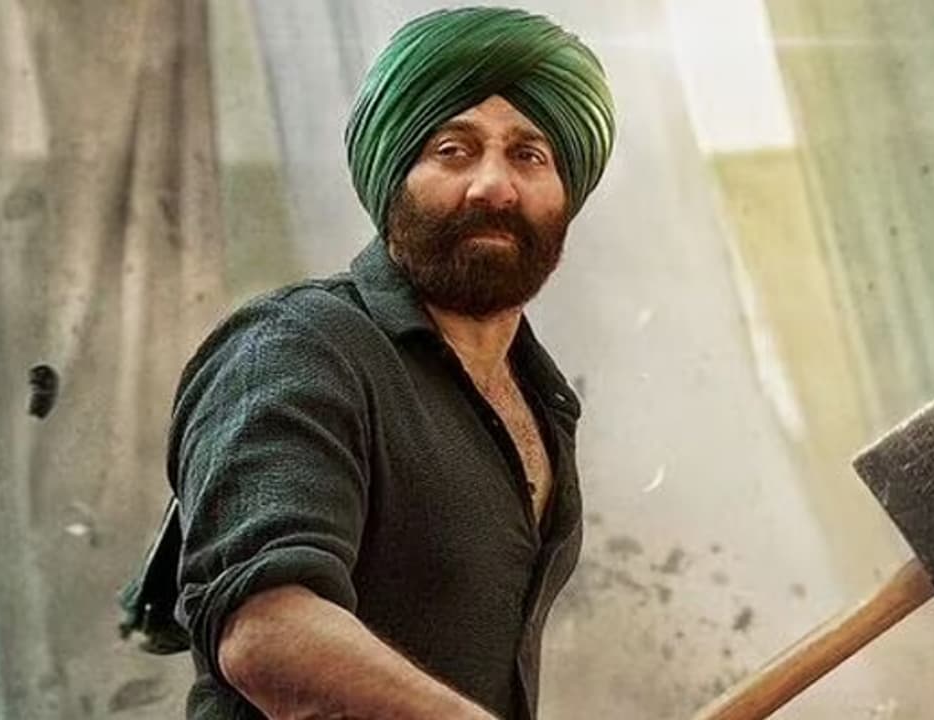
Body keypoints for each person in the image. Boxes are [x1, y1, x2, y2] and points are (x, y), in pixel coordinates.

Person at [122, 7, 616, 719]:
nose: (493, 186)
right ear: (393, 178)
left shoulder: (542, 396)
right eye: (453, 150)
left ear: (567, 195)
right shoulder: (298, 347)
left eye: (529, 155)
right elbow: (267, 633)